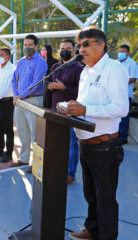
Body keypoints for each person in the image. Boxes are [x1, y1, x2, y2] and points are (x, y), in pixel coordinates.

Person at [57, 27, 129, 240]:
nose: (81, 49)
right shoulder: (85, 71)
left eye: (86, 44)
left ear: (101, 44)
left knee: (105, 198)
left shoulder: (113, 69)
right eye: (79, 45)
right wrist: (69, 108)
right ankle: (93, 230)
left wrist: (85, 110)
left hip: (104, 146)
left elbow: (121, 108)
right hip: (85, 143)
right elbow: (84, 104)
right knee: (91, 194)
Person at [48, 39, 84, 184]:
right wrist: (50, 86)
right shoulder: (55, 66)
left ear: (73, 50)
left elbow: (81, 92)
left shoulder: (79, 68)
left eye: (68, 48)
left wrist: (63, 88)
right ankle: (57, 169)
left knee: (71, 144)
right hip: (55, 111)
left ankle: (70, 173)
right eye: (62, 48)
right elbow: (48, 82)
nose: (65, 51)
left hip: (70, 113)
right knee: (55, 143)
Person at [11, 34, 48, 172]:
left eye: (30, 45)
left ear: (36, 46)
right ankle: (23, 159)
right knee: (22, 131)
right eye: (25, 45)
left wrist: (20, 96)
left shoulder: (40, 62)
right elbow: (14, 80)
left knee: (35, 133)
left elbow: (36, 84)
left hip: (33, 100)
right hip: (19, 101)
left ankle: (37, 164)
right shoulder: (21, 61)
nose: (27, 47)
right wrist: (15, 95)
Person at [117, 44, 138, 145]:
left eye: (123, 52)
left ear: (128, 53)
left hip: (125, 94)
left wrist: (120, 83)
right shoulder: (115, 63)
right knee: (116, 115)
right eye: (119, 52)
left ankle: (123, 137)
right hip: (114, 94)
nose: (120, 54)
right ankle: (115, 136)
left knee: (124, 116)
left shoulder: (132, 63)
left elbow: (133, 77)